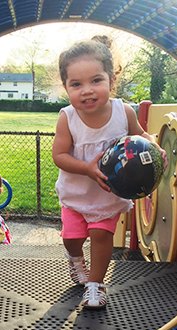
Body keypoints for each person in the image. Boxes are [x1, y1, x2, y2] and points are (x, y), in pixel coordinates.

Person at [52, 36, 167, 309]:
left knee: (102, 237)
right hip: (76, 193)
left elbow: (140, 135)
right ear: (66, 87)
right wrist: (88, 168)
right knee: (72, 237)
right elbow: (60, 156)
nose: (87, 91)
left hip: (107, 196)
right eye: (76, 84)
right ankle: (76, 259)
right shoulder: (67, 117)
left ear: (111, 80)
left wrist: (153, 146)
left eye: (96, 81)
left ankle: (95, 285)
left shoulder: (123, 111)